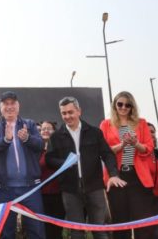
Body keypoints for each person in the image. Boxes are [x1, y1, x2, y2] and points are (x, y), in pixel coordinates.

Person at [46, 96, 125, 239]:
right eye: (64, 113)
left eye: (71, 112)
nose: (67, 116)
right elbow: (49, 159)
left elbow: (107, 154)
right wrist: (64, 163)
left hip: (95, 187)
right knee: (77, 231)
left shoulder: (95, 132)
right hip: (70, 190)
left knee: (99, 229)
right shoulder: (56, 137)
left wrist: (114, 174)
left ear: (79, 111)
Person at [0, 91, 45, 238]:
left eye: (13, 103)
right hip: (3, 190)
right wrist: (5, 140)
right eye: (6, 104)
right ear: (1, 107)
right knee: (5, 231)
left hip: (30, 188)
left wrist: (27, 139)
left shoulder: (29, 124)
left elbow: (40, 145)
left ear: (18, 106)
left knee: (36, 230)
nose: (9, 107)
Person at [100, 91, 155, 239]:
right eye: (120, 104)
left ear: (132, 107)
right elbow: (103, 151)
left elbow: (149, 148)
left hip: (138, 177)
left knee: (142, 222)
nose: (123, 107)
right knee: (120, 221)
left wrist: (135, 144)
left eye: (128, 105)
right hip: (116, 176)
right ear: (115, 105)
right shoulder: (106, 124)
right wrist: (122, 145)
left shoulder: (141, 123)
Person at [39, 120, 65, 239]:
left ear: (54, 131)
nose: (45, 130)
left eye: (48, 128)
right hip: (40, 195)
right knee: (43, 228)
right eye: (43, 128)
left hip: (58, 194)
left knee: (56, 229)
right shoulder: (36, 151)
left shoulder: (60, 149)